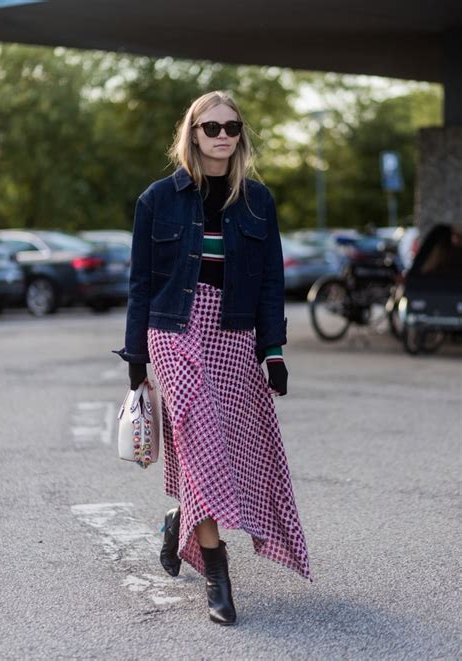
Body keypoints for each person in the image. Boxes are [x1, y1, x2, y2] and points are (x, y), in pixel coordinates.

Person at [114, 90, 312, 625]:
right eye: (211, 127)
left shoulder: (257, 202)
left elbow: (272, 280)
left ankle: (183, 514)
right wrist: (136, 356)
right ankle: (217, 573)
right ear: (192, 133)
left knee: (223, 443)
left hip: (233, 330)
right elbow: (140, 283)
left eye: (232, 127)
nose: (223, 136)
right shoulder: (157, 199)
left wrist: (272, 351)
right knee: (198, 430)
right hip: (174, 328)